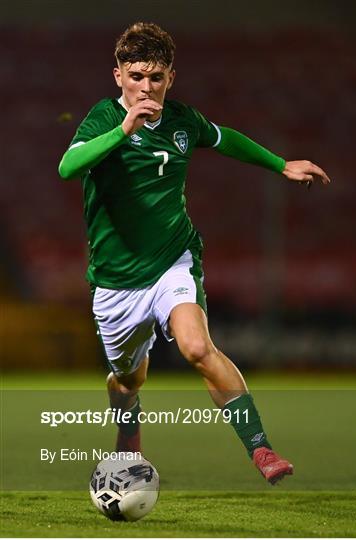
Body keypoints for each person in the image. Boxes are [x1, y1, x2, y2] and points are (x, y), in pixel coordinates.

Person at [58, 22, 330, 485]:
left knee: (197, 346)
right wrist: (124, 129)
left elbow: (224, 138)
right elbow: (68, 167)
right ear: (118, 76)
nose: (147, 87)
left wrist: (280, 164)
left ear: (171, 78)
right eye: (137, 76)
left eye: (157, 77)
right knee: (128, 381)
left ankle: (261, 448)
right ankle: (128, 436)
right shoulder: (103, 119)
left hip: (172, 259)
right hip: (116, 278)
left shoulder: (183, 121)